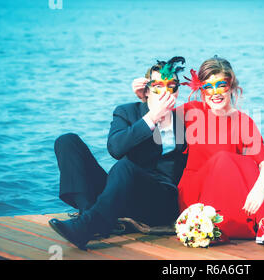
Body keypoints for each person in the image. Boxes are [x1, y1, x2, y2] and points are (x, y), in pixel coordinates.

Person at [49, 56, 187, 250]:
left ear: (178, 90)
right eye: (157, 86)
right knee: (67, 141)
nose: (165, 91)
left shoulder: (186, 119)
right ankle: (88, 214)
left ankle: (87, 225)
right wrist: (152, 117)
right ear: (147, 91)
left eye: (171, 86)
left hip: (157, 199)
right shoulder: (127, 111)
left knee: (124, 167)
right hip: (120, 189)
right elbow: (115, 149)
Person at [176, 56, 264, 246]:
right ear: (201, 89)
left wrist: (259, 190)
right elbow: (158, 117)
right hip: (195, 197)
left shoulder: (243, 122)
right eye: (208, 86)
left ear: (231, 86)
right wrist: (145, 94)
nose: (215, 93)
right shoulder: (189, 111)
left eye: (221, 85)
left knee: (249, 162)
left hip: (224, 196)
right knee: (226, 158)